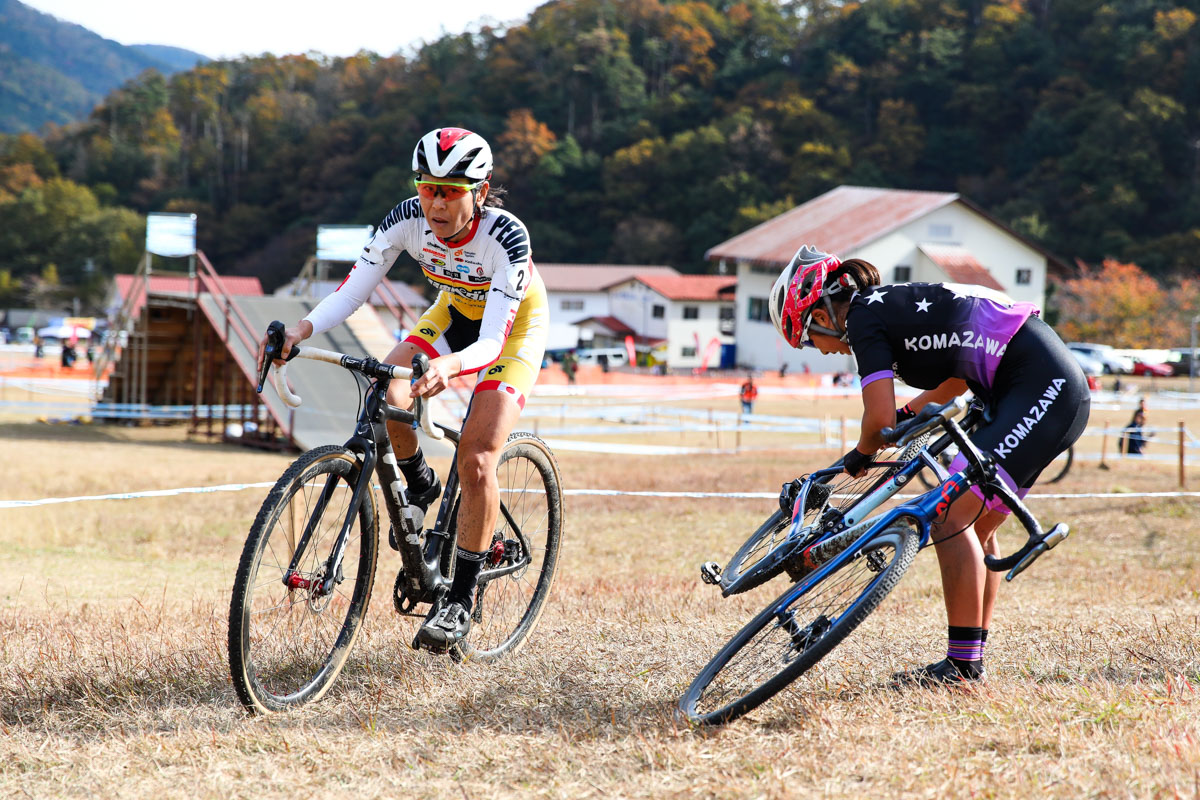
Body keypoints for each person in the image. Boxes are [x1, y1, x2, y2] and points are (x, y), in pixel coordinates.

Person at [259, 127, 548, 653]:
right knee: (388, 393)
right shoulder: (404, 220)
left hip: (508, 333)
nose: (436, 202)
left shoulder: (506, 237)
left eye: (451, 190)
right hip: (453, 312)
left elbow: (490, 341)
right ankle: (418, 485)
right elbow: (351, 293)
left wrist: (452, 369)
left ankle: (460, 598)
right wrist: (300, 330)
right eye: (427, 187)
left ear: (479, 192)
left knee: (478, 455)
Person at [769, 244, 1090, 685]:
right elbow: (956, 376)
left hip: (1038, 388)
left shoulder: (863, 320)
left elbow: (876, 421)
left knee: (950, 518)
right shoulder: (891, 310)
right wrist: (908, 416)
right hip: (1046, 385)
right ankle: (968, 660)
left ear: (823, 316)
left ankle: (960, 668)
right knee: (975, 527)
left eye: (808, 338)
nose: (819, 351)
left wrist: (863, 452)